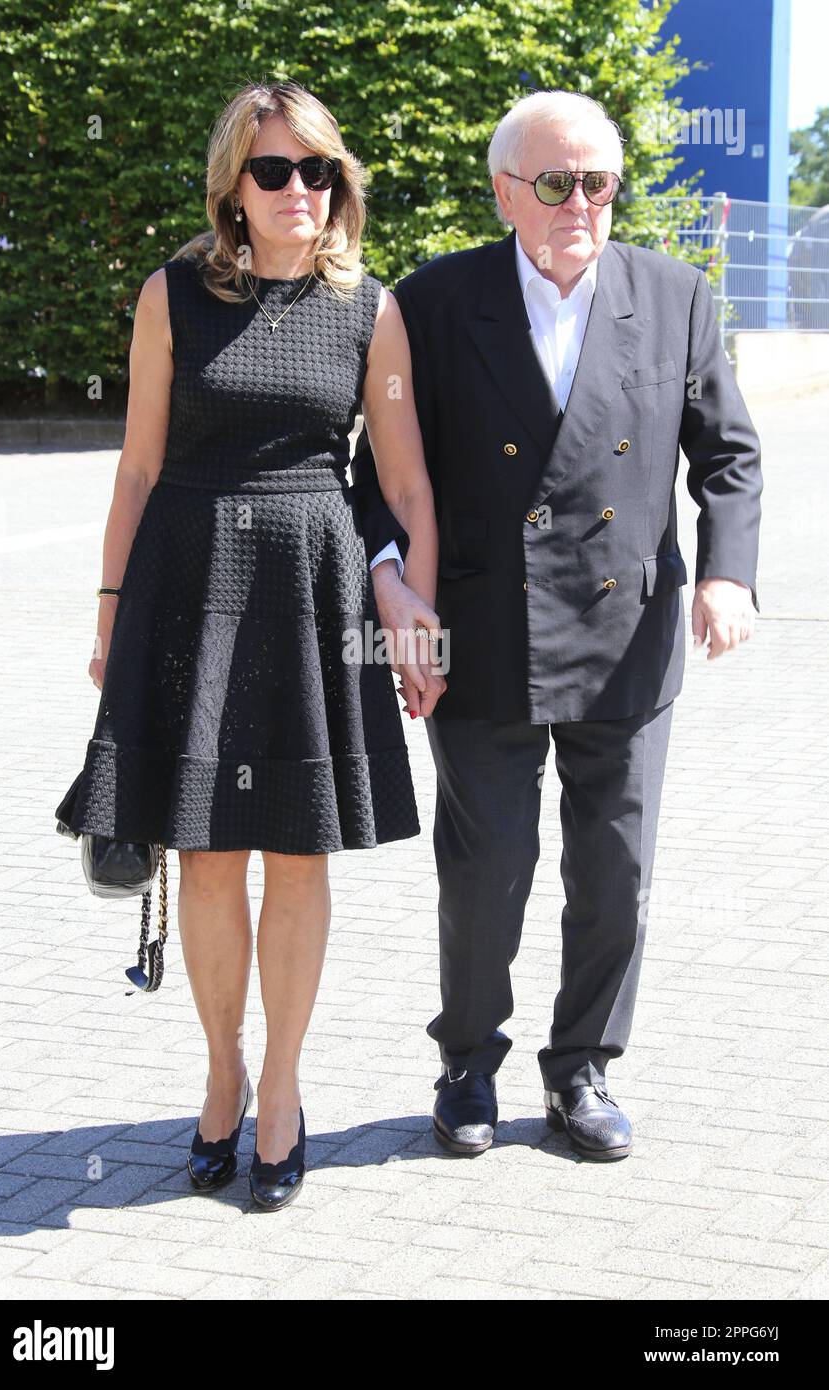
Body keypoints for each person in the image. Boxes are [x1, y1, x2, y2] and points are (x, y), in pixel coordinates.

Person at [352, 89, 762, 1161]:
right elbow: (376, 477)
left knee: (615, 871)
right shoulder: (432, 305)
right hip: (478, 633)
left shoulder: (676, 296)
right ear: (504, 192)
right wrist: (394, 586)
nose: (579, 201)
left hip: (625, 634)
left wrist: (727, 574)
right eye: (554, 182)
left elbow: (727, 454)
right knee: (484, 870)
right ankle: (467, 1064)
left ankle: (580, 1067)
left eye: (597, 181)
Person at [60, 79, 441, 1209]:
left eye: (317, 170)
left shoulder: (370, 308)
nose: (298, 191)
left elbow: (409, 483)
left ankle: (282, 1088)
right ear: (233, 184)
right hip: (186, 584)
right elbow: (134, 468)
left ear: (340, 183)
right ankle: (220, 1071)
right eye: (273, 171)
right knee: (209, 853)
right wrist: (107, 614)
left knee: (298, 851)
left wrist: (416, 623)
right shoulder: (171, 295)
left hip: (315, 593)